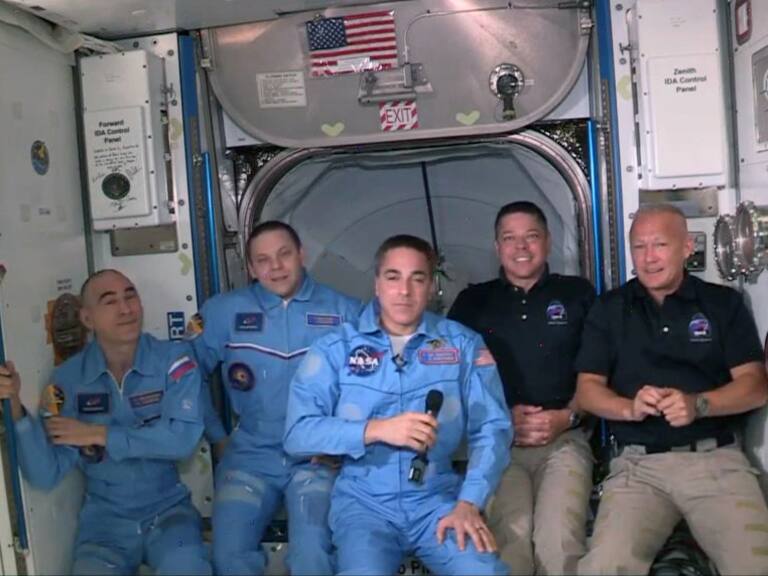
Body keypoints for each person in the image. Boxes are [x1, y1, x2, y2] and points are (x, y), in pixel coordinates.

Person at [284, 234, 512, 575]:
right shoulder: (335, 349)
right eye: (393, 277)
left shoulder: (462, 345)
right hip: (364, 504)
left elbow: (492, 428)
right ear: (377, 284)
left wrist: (469, 502)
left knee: (485, 570)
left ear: (431, 286)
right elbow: (298, 434)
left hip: (437, 500)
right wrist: (376, 430)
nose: (404, 291)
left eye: (417, 278)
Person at [575, 204, 768, 575]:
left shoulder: (722, 304)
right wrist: (628, 408)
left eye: (660, 245)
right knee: (602, 568)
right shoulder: (609, 309)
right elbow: (587, 390)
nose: (649, 258)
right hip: (637, 466)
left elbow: (756, 386)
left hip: (715, 462)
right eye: (639, 247)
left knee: (754, 566)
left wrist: (700, 404)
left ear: (686, 247)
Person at [0, 269, 210, 575]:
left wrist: (98, 434)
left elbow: (181, 440)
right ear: (87, 319)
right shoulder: (67, 381)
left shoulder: (173, 360)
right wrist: (16, 407)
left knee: (187, 567)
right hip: (104, 526)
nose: (126, 308)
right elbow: (46, 473)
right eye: (109, 301)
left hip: (168, 513)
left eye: (130, 296)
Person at [190, 220, 362, 575]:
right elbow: (185, 378)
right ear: (250, 268)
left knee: (312, 555)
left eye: (284, 254)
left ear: (302, 255)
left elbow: (370, 386)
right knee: (228, 556)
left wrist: (343, 443)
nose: (276, 267)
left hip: (316, 459)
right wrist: (218, 437)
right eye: (263, 260)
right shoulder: (223, 312)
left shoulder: (345, 312)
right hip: (250, 457)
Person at [449, 201, 595, 574]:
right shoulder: (472, 303)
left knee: (558, 539)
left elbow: (601, 373)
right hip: (499, 445)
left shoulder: (579, 295)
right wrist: (501, 419)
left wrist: (568, 416)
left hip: (565, 440)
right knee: (510, 539)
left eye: (531, 237)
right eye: (509, 239)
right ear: (497, 247)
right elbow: (451, 379)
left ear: (547, 241)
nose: (521, 247)